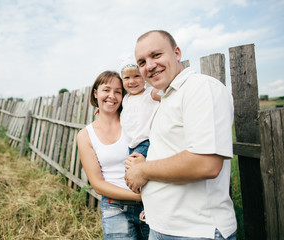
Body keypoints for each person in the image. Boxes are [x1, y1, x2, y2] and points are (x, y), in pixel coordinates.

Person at [124, 30, 237, 240]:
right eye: (142, 62)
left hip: (195, 232)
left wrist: (144, 170)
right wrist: (147, 161)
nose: (149, 66)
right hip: (163, 227)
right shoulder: (168, 97)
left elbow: (206, 163)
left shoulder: (201, 88)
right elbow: (176, 151)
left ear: (177, 53)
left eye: (156, 55)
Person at [77, 70, 149, 240]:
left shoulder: (134, 122)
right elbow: (98, 184)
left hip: (150, 207)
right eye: (106, 90)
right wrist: (138, 196)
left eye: (118, 91)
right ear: (95, 93)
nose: (112, 96)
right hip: (115, 208)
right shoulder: (86, 135)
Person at [119, 56, 160, 159]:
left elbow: (166, 93)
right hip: (129, 145)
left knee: (133, 171)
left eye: (137, 76)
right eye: (127, 78)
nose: (132, 81)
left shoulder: (149, 94)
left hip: (145, 142)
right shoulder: (125, 99)